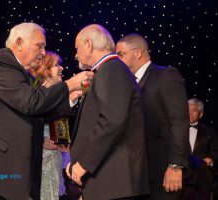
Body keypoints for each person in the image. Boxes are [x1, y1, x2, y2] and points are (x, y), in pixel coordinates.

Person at [0, 22, 93, 200]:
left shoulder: (24, 75)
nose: (43, 52)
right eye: (40, 46)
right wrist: (70, 84)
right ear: (19, 43)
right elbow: (29, 103)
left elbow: (37, 114)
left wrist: (71, 97)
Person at [67, 24, 149, 200]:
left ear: (89, 44)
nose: (75, 54)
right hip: (109, 180)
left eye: (77, 47)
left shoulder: (111, 69)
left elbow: (112, 120)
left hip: (114, 181)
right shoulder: (109, 69)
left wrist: (84, 164)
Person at [116, 33, 189, 200]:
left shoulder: (165, 76)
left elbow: (179, 121)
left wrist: (175, 166)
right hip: (136, 174)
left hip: (162, 172)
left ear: (138, 53)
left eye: (121, 54)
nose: (117, 60)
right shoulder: (126, 83)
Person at [30, 51, 80, 200]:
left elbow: (58, 124)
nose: (61, 68)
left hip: (55, 162)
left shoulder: (58, 96)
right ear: (45, 70)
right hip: (38, 166)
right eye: (56, 65)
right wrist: (39, 141)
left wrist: (64, 143)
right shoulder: (35, 95)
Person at [180, 98, 218, 199]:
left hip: (202, 176)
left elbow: (215, 152)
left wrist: (211, 160)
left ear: (200, 114)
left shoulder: (209, 132)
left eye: (194, 111)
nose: (190, 113)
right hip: (181, 174)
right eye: (188, 110)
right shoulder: (176, 130)